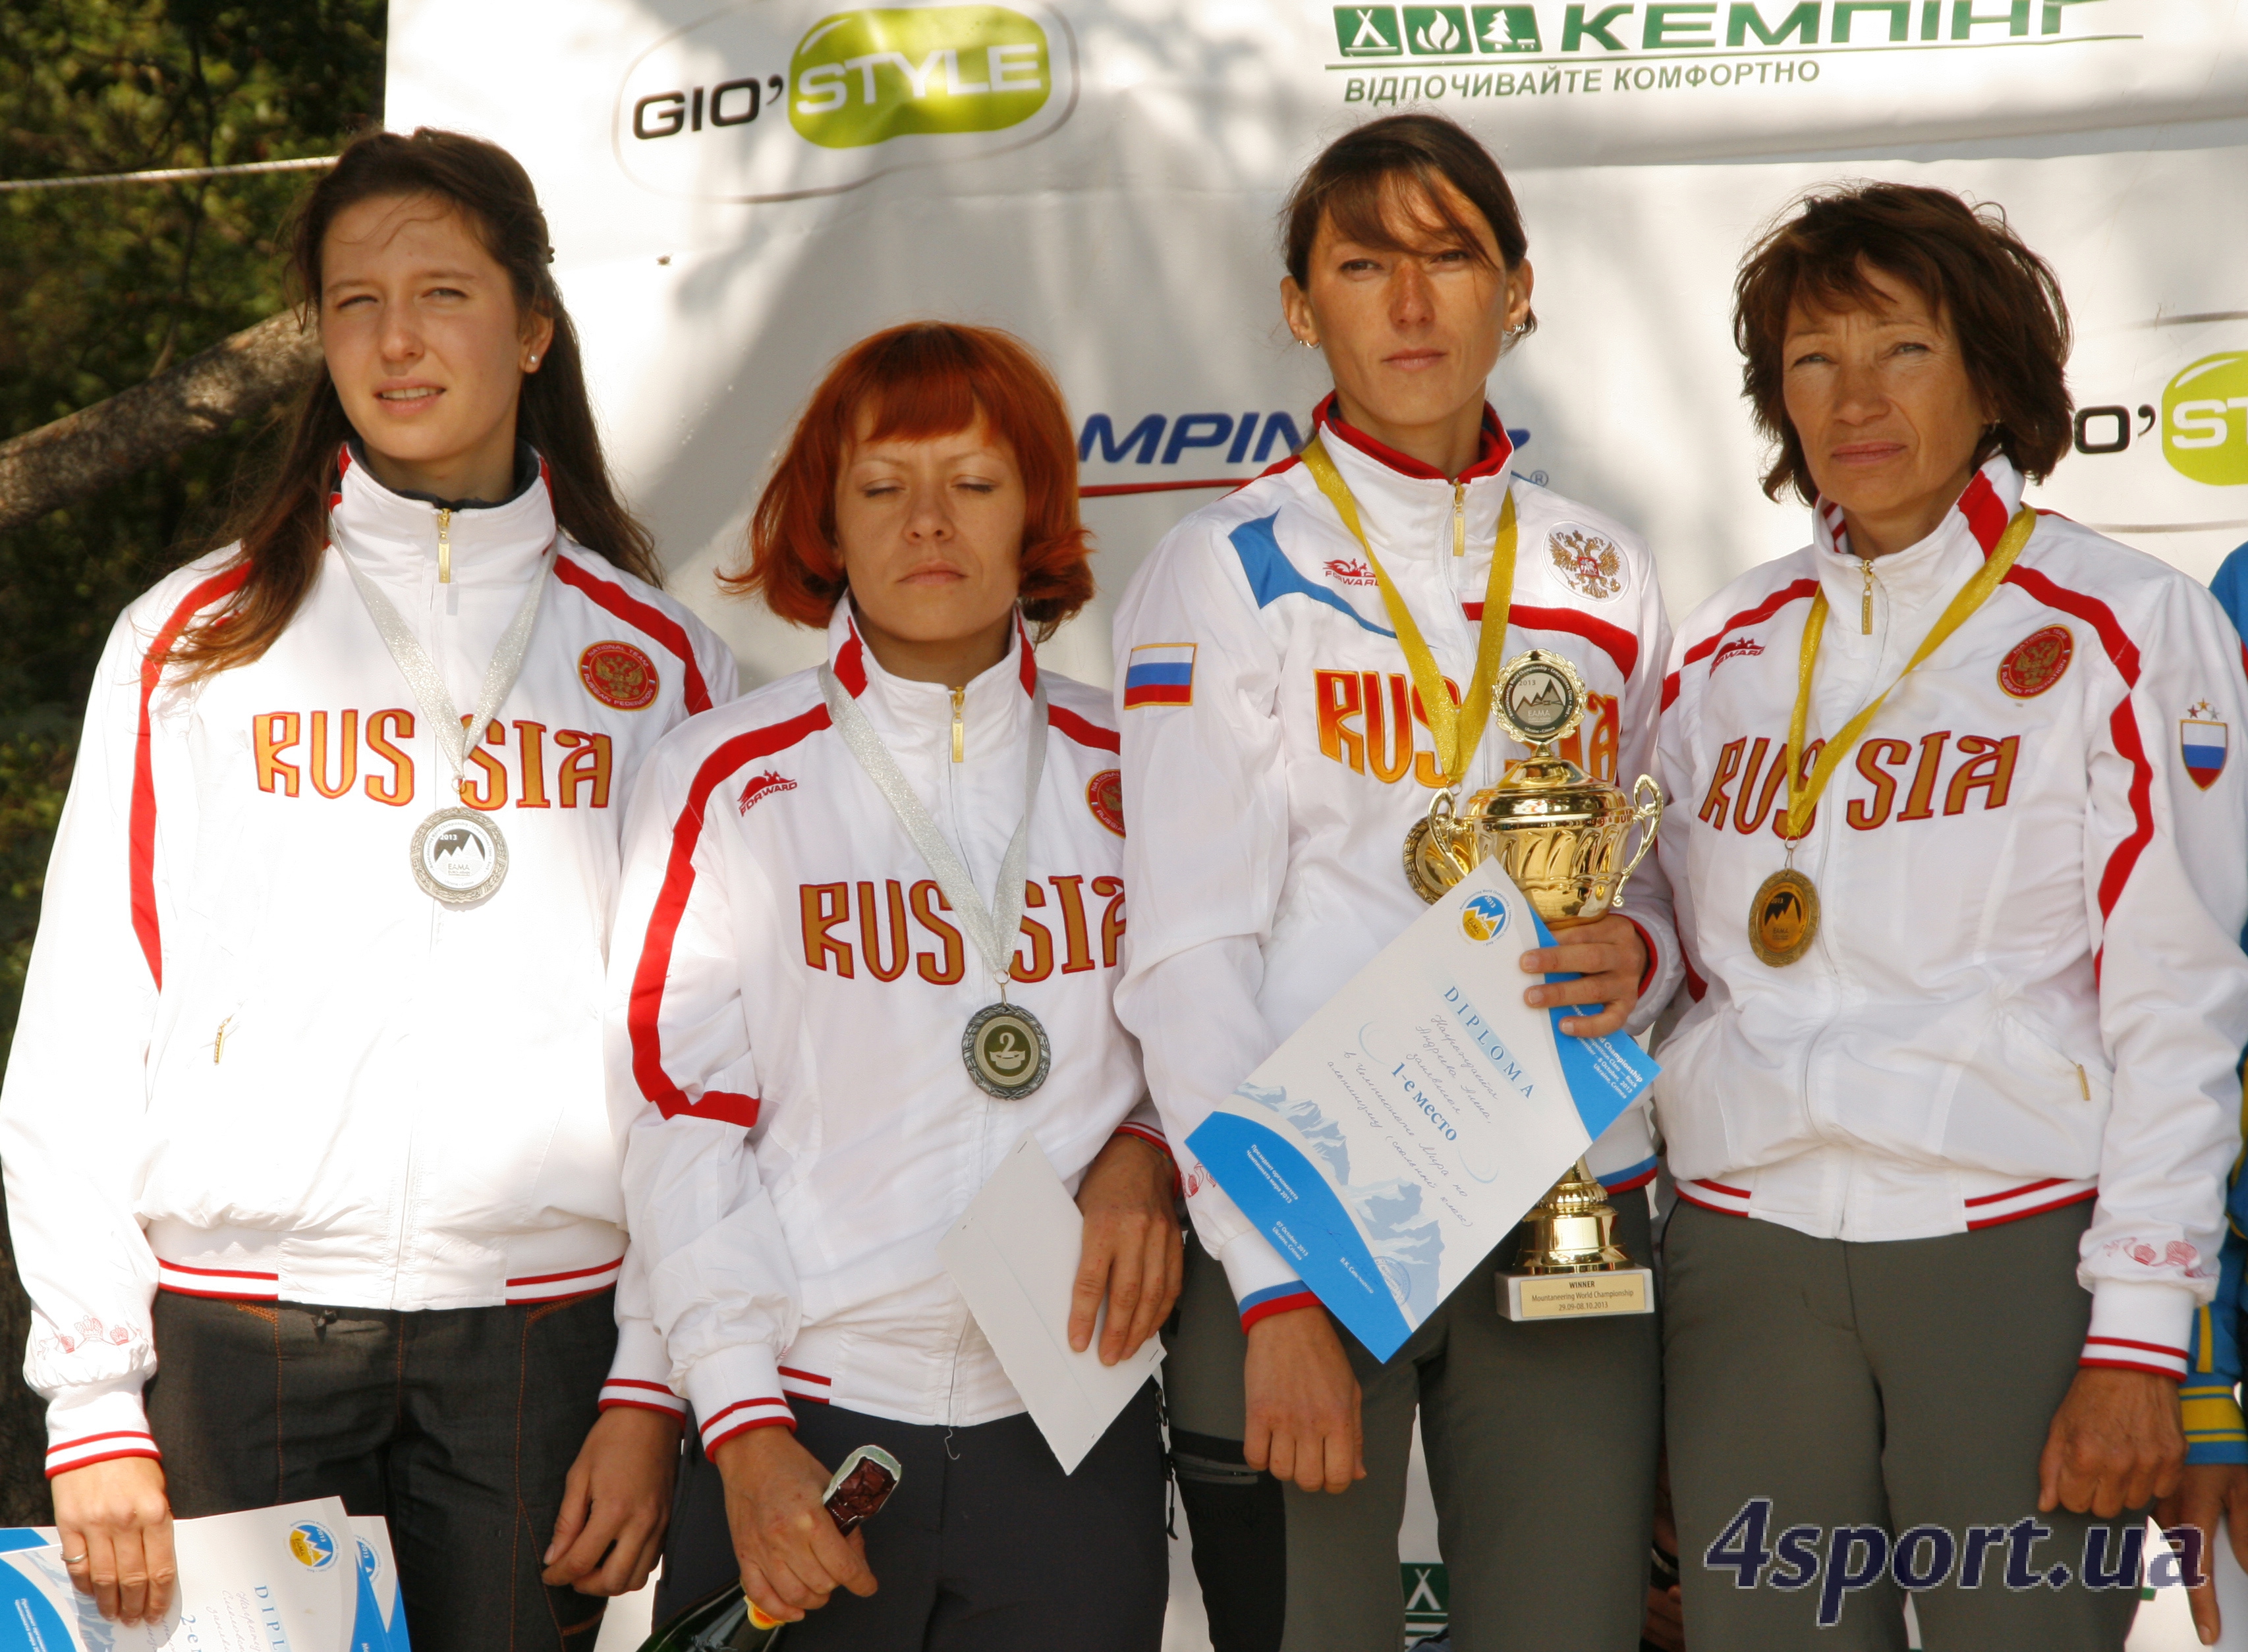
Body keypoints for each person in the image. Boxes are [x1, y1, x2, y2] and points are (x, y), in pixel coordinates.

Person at [0, 128, 739, 1646]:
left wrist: (649, 1384)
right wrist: (92, 1401)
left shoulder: (660, 671)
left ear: (532, 326)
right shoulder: (195, 636)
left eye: (442, 293)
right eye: (352, 302)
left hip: (543, 1339)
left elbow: (701, 1069)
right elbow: (86, 1013)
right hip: (236, 1326)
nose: (394, 339)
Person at [1113, 112, 1683, 1651]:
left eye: (1452, 260)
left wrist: (1641, 953)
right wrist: (1277, 1282)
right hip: (1315, 1218)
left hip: (1571, 1201)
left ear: (1519, 290)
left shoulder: (1602, 572)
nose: (1413, 305)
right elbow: (1182, 957)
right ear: (1300, 307)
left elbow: (1667, 893)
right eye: (1365, 266)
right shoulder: (1222, 568)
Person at [1654, 182, 2248, 1649]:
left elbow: (2177, 1003)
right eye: (1809, 359)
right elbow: (1662, 945)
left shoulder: (2122, 623)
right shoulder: (1723, 649)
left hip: (2007, 1262)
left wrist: (2137, 1337)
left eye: (1897, 349)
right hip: (1745, 1264)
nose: (1851, 398)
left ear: (1988, 372)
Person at [609, 322, 1180, 1650]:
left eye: (974, 483)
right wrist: (743, 1431)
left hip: (1068, 1416)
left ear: (1036, 505)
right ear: (826, 520)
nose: (929, 523)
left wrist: (1143, 1152)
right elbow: (681, 1129)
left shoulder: (1141, 763)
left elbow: (1209, 1022)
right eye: (882, 487)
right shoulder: (728, 776)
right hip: (806, 1419)